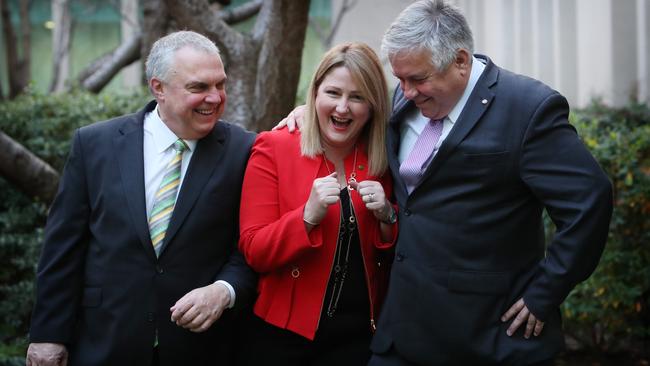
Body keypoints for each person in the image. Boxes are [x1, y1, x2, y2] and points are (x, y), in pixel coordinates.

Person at [280, 1, 613, 364]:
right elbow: (351, 122)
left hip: (490, 339)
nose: (406, 91)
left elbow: (590, 202)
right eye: (401, 79)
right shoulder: (404, 102)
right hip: (401, 333)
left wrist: (547, 291)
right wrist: (308, 112)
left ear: (460, 61)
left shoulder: (528, 109)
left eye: (418, 79)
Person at [26, 31, 256, 366]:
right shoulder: (95, 145)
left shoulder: (244, 150)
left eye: (219, 85)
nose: (215, 97)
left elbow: (250, 246)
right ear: (158, 88)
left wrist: (224, 290)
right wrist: (47, 334)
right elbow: (63, 248)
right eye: (199, 87)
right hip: (105, 342)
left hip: (202, 349)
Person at [237, 42, 397, 366]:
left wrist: (387, 216)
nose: (342, 108)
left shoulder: (382, 156)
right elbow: (253, 249)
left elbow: (399, 253)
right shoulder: (275, 147)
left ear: (373, 106)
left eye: (357, 97)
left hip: (360, 339)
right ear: (315, 94)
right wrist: (306, 218)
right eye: (333, 93)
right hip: (284, 337)